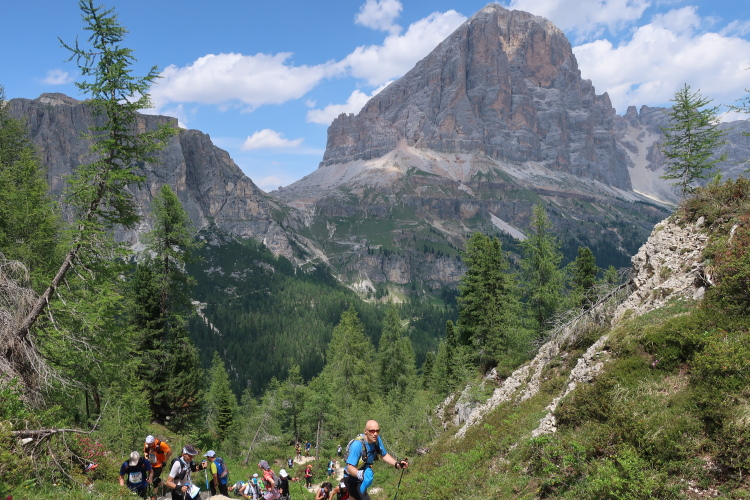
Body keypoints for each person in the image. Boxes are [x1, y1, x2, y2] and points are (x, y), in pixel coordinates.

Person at [344, 420, 408, 500]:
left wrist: (397, 464)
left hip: (364, 478)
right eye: (372, 431)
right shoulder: (357, 445)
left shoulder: (377, 440)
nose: (375, 434)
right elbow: (350, 468)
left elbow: (383, 455)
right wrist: (361, 474)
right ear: (366, 431)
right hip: (351, 478)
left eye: (377, 431)